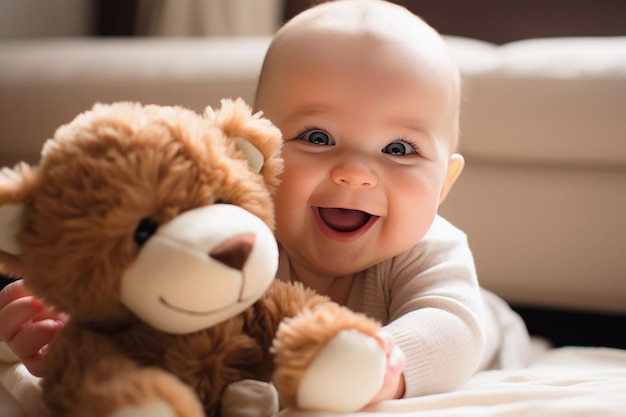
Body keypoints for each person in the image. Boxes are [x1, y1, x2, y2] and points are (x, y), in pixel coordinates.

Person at [0, 0, 531, 406]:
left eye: (399, 149)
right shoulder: (233, 237)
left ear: (443, 185)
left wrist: (381, 366)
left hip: (496, 331)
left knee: (488, 322)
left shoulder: (431, 248)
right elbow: (160, 295)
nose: (354, 172)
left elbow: (452, 330)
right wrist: (81, 325)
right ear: (258, 151)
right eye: (317, 137)